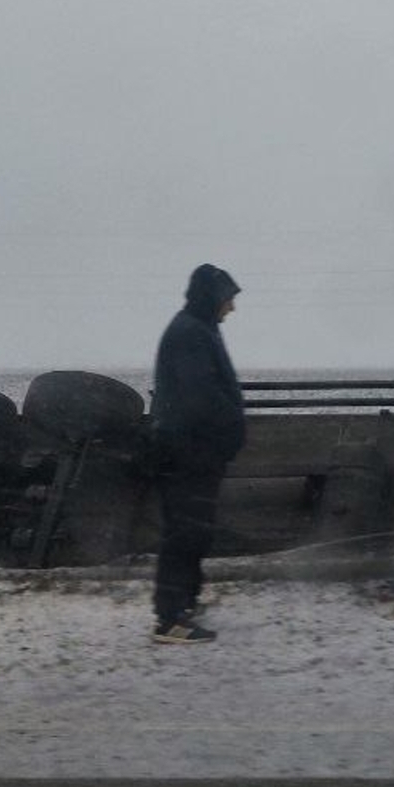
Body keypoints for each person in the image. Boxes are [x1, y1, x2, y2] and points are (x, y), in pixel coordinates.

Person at [149, 263, 246, 644]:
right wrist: (227, 433)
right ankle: (169, 620)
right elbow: (200, 399)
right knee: (185, 533)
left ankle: (183, 602)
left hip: (193, 452)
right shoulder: (191, 333)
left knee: (193, 530)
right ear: (212, 298)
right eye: (229, 299)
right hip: (186, 453)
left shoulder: (198, 327)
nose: (232, 308)